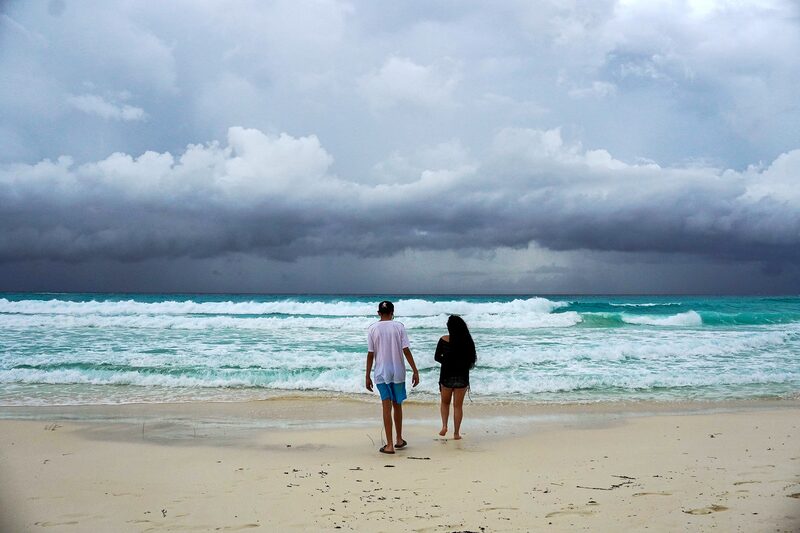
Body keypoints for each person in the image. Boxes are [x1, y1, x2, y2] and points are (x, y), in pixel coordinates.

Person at [365, 300, 420, 454]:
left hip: (381, 372)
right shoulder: (399, 327)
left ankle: (389, 445)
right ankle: (399, 439)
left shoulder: (372, 329)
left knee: (386, 406)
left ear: (378, 313)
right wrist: (415, 370)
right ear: (393, 312)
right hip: (398, 371)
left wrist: (367, 375)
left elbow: (370, 354)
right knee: (397, 405)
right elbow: (406, 350)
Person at [434, 315, 476, 440]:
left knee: (445, 403)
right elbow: (472, 360)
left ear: (449, 328)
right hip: (462, 377)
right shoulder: (467, 341)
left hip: (446, 375)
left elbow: (437, 357)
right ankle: (456, 433)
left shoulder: (443, 339)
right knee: (458, 406)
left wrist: (447, 362)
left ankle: (444, 426)